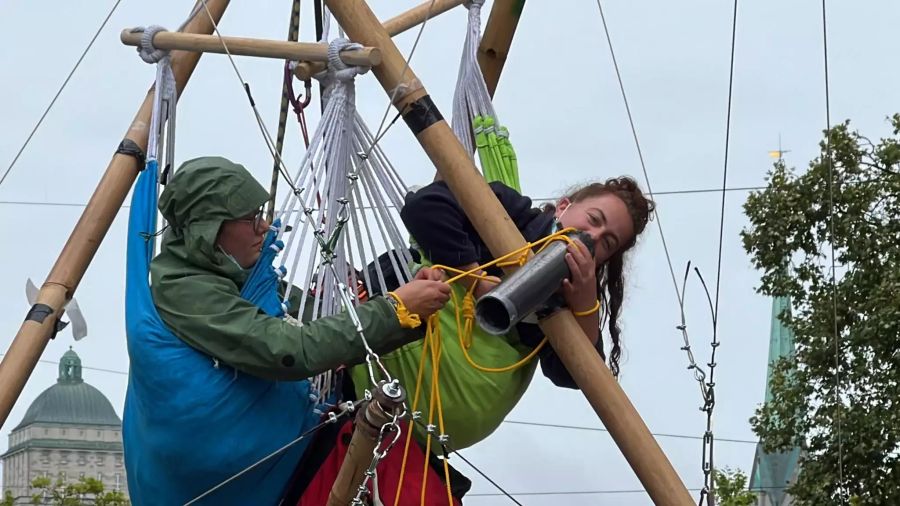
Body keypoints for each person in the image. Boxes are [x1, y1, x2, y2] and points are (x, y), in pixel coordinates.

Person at [123, 156, 450, 505]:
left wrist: (410, 305)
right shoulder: (186, 291)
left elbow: (323, 322)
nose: (264, 227)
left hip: (282, 468)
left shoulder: (243, 279)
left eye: (261, 214)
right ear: (209, 227)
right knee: (390, 461)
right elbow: (290, 350)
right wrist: (395, 310)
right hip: (220, 482)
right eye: (250, 218)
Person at [400, 176, 655, 381]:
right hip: (407, 341)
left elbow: (571, 376)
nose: (594, 236)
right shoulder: (511, 213)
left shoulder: (572, 295)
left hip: (457, 398)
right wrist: (476, 280)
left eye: (607, 243)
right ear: (563, 207)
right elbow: (423, 207)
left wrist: (585, 306)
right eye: (593, 219)